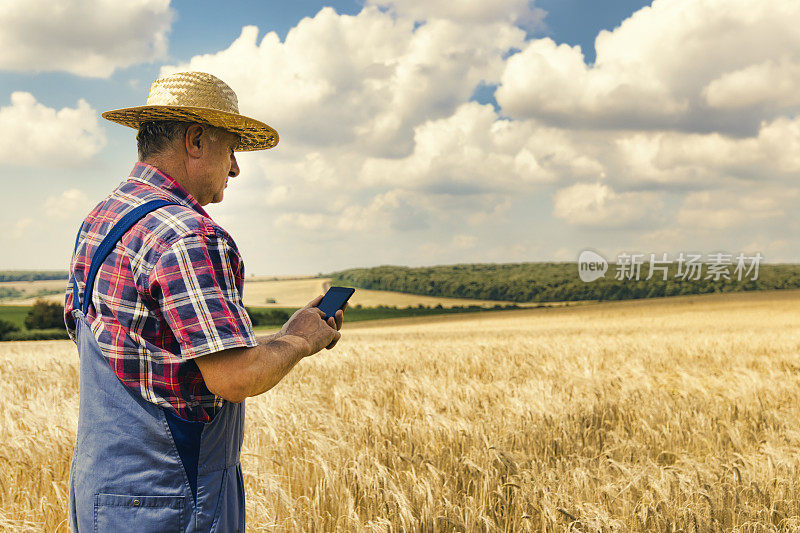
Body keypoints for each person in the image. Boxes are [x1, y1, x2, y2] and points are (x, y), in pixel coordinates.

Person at [64, 71, 344, 532]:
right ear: (196, 140)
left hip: (101, 494)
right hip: (173, 499)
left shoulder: (103, 218)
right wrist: (300, 339)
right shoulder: (189, 235)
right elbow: (235, 378)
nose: (235, 168)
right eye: (231, 148)